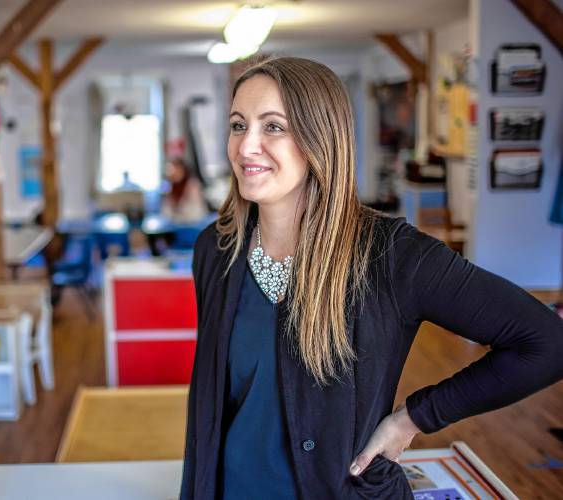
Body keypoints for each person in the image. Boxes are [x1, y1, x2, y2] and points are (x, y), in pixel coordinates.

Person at [180, 57, 563, 499]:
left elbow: (546, 343)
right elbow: (213, 403)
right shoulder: (216, 248)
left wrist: (414, 418)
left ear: (320, 138)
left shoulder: (390, 254)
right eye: (237, 125)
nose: (246, 147)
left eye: (273, 127)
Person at [161, 158, 207, 223]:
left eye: (177, 169)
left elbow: (198, 212)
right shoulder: (170, 187)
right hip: (176, 227)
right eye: (173, 170)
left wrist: (178, 216)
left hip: (193, 226)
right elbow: (165, 212)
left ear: (184, 170)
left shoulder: (193, 185)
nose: (175, 173)